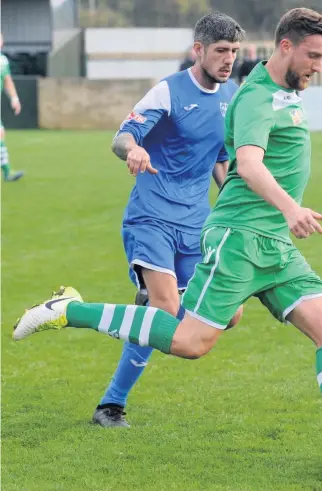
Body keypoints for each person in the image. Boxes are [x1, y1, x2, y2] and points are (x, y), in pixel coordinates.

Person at [13, 7, 322, 470]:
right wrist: (290, 208)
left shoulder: (265, 94)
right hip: (211, 230)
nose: (318, 66)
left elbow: (228, 167)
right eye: (313, 55)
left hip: (258, 239)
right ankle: (71, 314)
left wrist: (259, 206)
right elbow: (244, 162)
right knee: (183, 332)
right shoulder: (242, 96)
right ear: (284, 47)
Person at [95, 12, 244, 427]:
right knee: (164, 308)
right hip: (152, 217)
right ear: (199, 50)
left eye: (233, 51)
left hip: (198, 224)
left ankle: (130, 317)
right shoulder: (167, 92)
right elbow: (121, 138)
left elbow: (220, 159)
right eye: (220, 51)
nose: (228, 59)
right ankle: (111, 405)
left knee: (228, 315)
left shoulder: (232, 96)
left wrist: (237, 201)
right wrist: (135, 151)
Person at [0, 33, 24, 182]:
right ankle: (7, 172)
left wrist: (14, 98)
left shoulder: (2, 60)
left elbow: (7, 80)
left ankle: (7, 172)